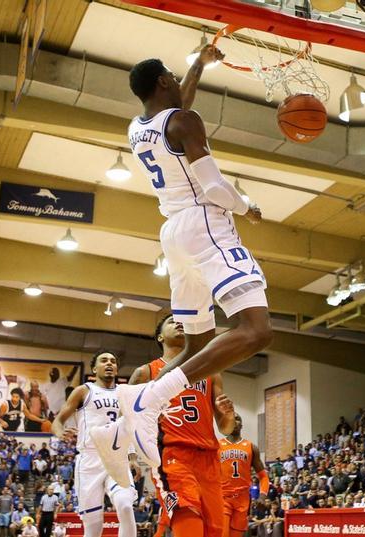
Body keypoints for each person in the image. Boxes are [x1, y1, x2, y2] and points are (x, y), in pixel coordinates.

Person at [92, 44, 273, 476]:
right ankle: (150, 400)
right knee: (257, 331)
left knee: (196, 344)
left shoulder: (139, 127)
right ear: (162, 82)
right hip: (206, 223)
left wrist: (198, 64)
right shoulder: (185, 122)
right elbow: (213, 187)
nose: (178, 83)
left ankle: (130, 414)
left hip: (174, 234)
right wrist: (247, 207)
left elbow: (179, 106)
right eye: (173, 77)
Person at [118, 316, 235, 537]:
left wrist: (228, 414)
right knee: (189, 522)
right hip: (172, 455)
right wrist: (130, 457)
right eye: (172, 321)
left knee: (215, 531)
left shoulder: (211, 372)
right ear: (160, 336)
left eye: (182, 320)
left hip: (209, 458)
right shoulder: (146, 372)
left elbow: (226, 428)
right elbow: (125, 419)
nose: (179, 322)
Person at [52, 351, 137, 537]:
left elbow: (127, 427)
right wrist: (60, 432)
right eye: (104, 360)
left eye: (113, 361)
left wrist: (132, 457)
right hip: (89, 459)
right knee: (93, 526)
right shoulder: (84, 390)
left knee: (124, 505)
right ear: (94, 368)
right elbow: (57, 421)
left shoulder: (124, 393)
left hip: (116, 456)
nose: (109, 364)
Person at [219, 413, 269, 537]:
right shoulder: (217, 445)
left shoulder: (252, 447)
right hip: (223, 497)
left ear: (241, 424)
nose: (234, 421)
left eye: (237, 419)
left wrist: (262, 496)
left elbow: (263, 476)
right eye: (231, 419)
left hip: (242, 500)